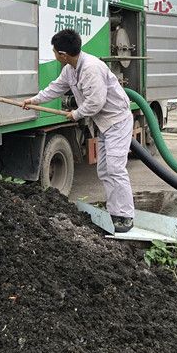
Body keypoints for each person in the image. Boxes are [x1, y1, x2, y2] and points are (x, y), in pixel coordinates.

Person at [21, 28, 135, 233]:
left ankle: (125, 216)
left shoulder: (91, 68)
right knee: (104, 169)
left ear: (63, 54)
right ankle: (115, 211)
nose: (54, 55)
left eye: (55, 51)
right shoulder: (70, 69)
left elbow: (96, 102)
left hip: (117, 121)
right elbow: (55, 88)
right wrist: (34, 100)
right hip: (103, 124)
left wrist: (76, 114)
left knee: (115, 168)